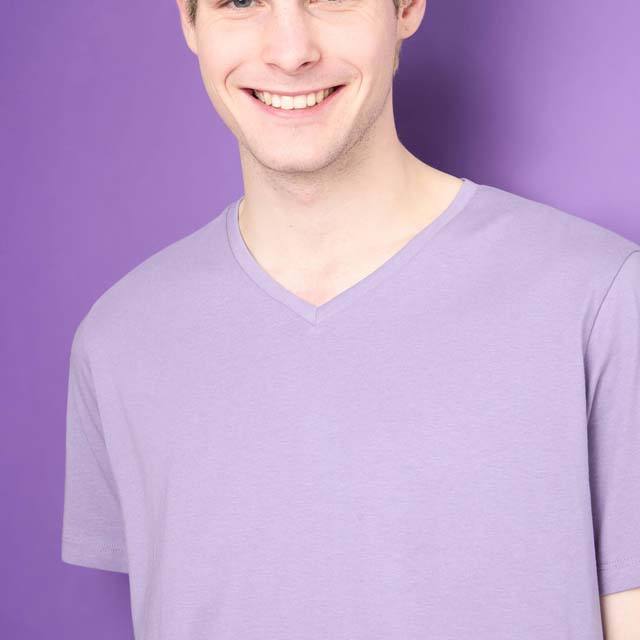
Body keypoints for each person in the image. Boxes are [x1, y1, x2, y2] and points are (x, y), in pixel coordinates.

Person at [61, 0, 640, 637]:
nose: (290, 51)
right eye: (242, 1)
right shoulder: (120, 340)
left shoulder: (600, 298)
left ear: (406, 7)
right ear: (188, 20)